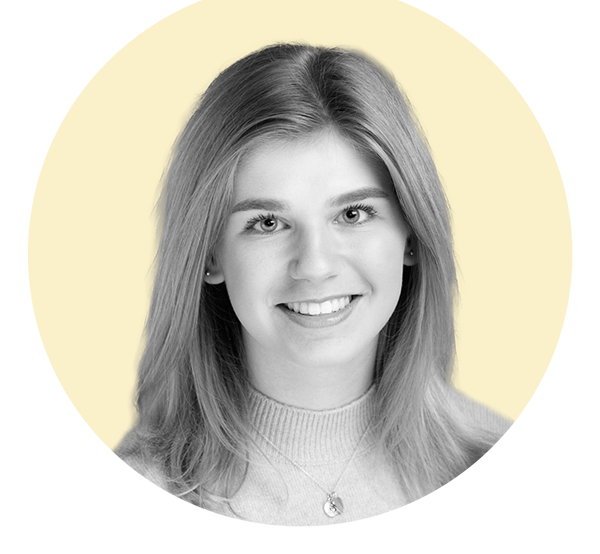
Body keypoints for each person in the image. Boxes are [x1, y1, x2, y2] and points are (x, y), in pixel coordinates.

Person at [89, 43, 521, 527]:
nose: (314, 266)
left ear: (412, 235)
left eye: (353, 214)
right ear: (209, 255)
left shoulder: (507, 476)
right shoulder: (129, 509)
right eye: (268, 223)